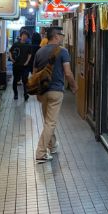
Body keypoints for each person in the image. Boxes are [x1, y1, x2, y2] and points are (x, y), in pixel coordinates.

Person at [33, 27, 77, 163]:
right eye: (62, 35)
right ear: (56, 36)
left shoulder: (39, 51)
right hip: (56, 91)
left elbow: (34, 72)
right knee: (50, 122)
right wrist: (74, 86)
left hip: (42, 91)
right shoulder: (62, 51)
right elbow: (68, 73)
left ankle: (52, 145)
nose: (63, 37)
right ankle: (40, 153)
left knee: (48, 121)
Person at [8, 31, 32, 100]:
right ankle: (15, 94)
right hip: (16, 65)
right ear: (21, 36)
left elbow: (30, 54)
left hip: (25, 66)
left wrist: (27, 62)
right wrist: (12, 58)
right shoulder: (16, 44)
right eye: (23, 35)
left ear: (27, 37)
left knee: (25, 80)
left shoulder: (28, 45)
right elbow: (10, 51)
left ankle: (25, 94)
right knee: (15, 80)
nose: (25, 37)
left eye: (26, 36)